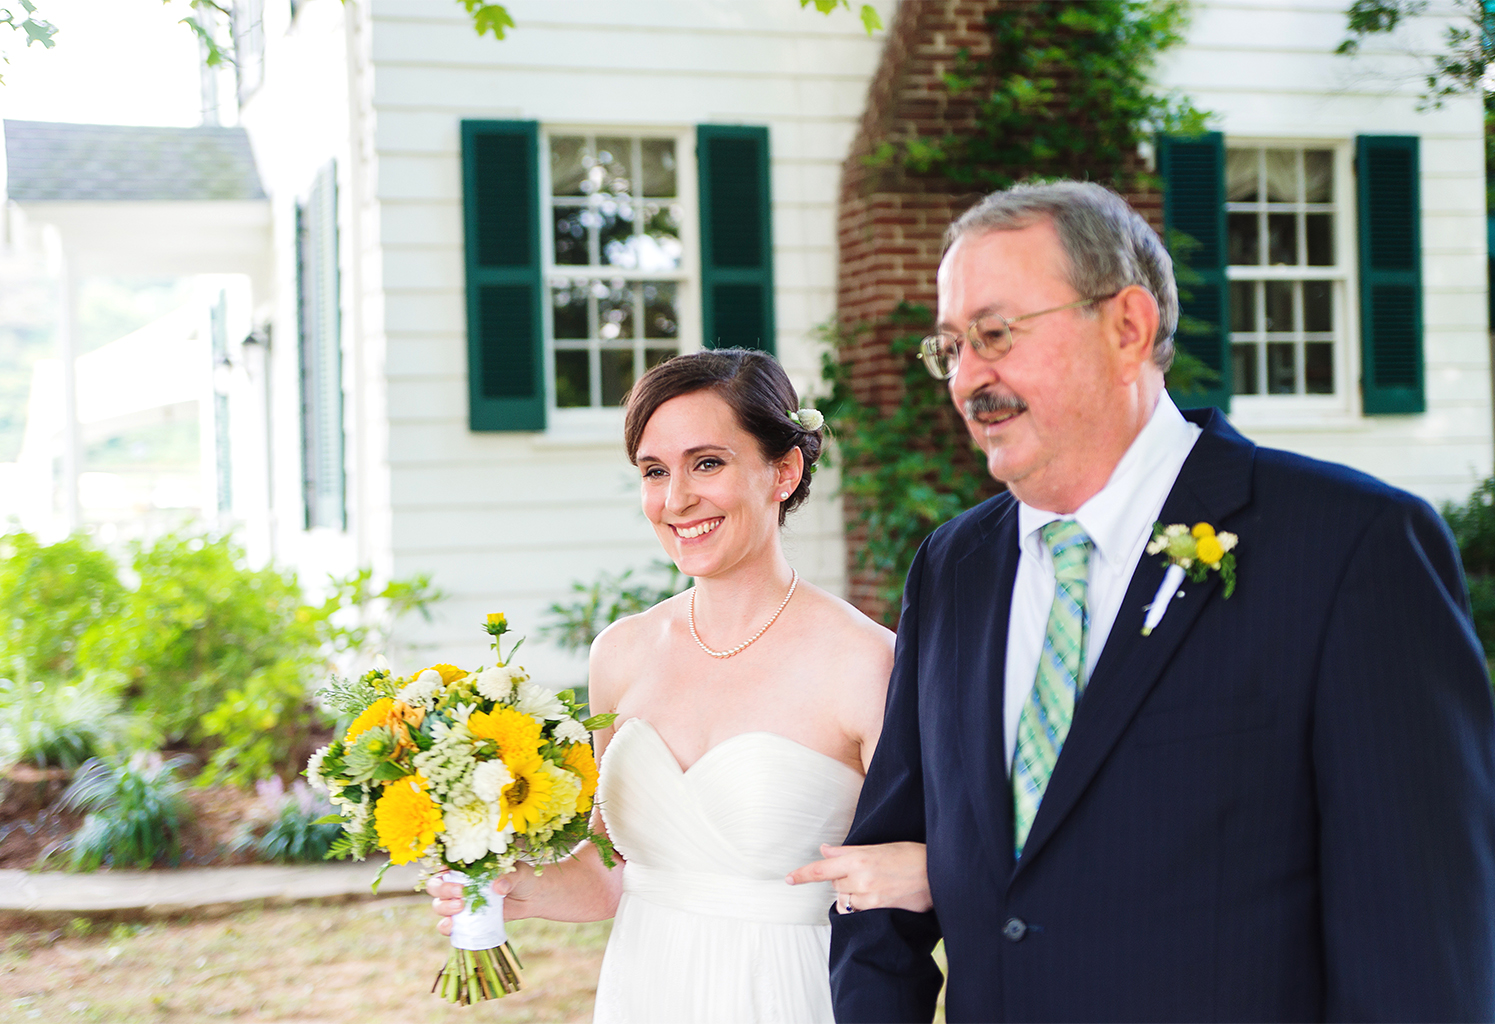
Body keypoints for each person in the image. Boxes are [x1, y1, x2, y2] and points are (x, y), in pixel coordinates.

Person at [827, 181, 1495, 1021]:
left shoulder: (1350, 549)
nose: (968, 380)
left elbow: (1419, 945)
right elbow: (887, 874)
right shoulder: (953, 568)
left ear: (1127, 327)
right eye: (950, 347)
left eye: (993, 335)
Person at [430, 348, 930, 1023]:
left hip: (791, 995)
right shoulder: (621, 654)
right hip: (645, 988)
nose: (676, 500)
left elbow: (916, 885)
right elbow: (613, 871)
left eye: (707, 463)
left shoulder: (867, 663)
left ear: (783, 471)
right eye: (654, 471)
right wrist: (513, 888)